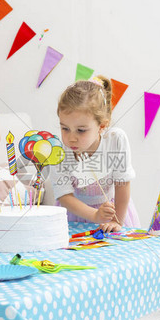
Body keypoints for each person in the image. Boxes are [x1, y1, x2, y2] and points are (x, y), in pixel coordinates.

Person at [52, 75, 140, 234]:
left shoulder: (114, 140)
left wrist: (116, 220)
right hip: (75, 215)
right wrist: (94, 215)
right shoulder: (59, 150)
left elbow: (123, 184)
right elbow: (64, 195)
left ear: (101, 126)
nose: (71, 137)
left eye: (81, 130)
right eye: (65, 128)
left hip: (113, 213)